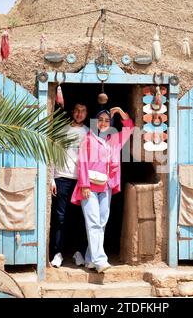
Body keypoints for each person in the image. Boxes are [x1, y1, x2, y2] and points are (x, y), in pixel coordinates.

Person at [71, 107, 134, 273]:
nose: (103, 123)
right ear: (95, 122)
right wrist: (84, 185)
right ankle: (100, 260)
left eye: (107, 120)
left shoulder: (114, 140)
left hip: (106, 186)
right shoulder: (88, 138)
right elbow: (83, 162)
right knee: (93, 223)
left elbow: (129, 128)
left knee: (102, 223)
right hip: (89, 187)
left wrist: (121, 112)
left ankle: (90, 259)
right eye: (100, 120)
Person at [50, 102, 89, 268]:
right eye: (77, 110)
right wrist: (51, 178)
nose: (80, 113)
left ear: (86, 113)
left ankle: (78, 252)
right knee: (59, 218)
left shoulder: (88, 132)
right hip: (62, 178)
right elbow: (51, 153)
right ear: (72, 111)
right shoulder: (61, 130)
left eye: (83, 111)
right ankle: (57, 253)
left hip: (80, 180)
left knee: (80, 218)